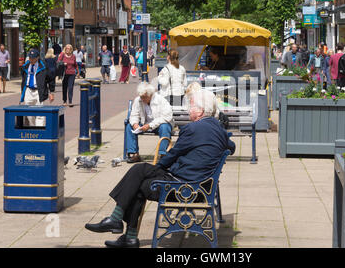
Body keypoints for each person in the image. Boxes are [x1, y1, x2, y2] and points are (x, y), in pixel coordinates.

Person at [84, 89, 236, 248]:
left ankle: (121, 226)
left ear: (200, 111)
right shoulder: (219, 130)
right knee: (139, 176)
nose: (188, 110)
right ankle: (124, 231)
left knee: (139, 177)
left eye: (191, 107)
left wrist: (156, 168)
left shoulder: (192, 129)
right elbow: (231, 147)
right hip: (200, 186)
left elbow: (172, 156)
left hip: (184, 189)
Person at [125, 82, 174, 163]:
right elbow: (134, 114)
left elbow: (167, 116)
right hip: (145, 124)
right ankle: (134, 154)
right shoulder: (138, 100)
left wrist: (150, 125)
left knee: (164, 127)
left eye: (144, 97)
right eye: (141, 97)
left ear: (150, 95)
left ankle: (163, 154)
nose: (142, 99)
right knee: (129, 127)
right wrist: (135, 123)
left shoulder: (160, 99)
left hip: (159, 125)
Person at [20, 49, 55, 126]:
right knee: (28, 111)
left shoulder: (43, 67)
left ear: (37, 57)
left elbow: (51, 79)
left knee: (40, 112)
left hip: (39, 91)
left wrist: (51, 92)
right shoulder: (25, 66)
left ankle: (39, 130)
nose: (31, 60)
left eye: (33, 58)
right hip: (28, 90)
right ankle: (33, 128)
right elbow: (23, 79)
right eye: (30, 58)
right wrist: (22, 91)